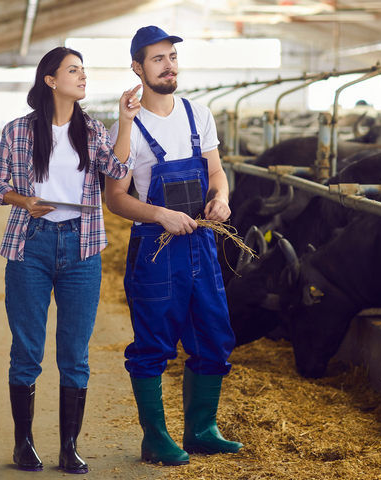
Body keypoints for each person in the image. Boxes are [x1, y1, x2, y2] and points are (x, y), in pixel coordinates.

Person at [0, 46, 140, 473]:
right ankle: (24, 445)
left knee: (75, 353)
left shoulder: (91, 130)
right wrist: (24, 200)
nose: (83, 76)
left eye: (84, 70)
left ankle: (69, 447)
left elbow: (118, 170)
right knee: (27, 349)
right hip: (30, 243)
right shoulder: (17, 131)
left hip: (81, 245)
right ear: (51, 80)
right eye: (74, 70)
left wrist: (125, 122)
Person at [105, 26, 243, 466]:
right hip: (156, 248)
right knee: (153, 344)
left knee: (213, 336)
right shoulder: (126, 125)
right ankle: (156, 439)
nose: (169, 66)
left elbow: (217, 173)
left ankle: (202, 430)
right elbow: (116, 197)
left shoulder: (197, 114)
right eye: (158, 59)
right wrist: (160, 214)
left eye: (172, 57)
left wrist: (220, 199)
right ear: (137, 68)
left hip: (202, 243)